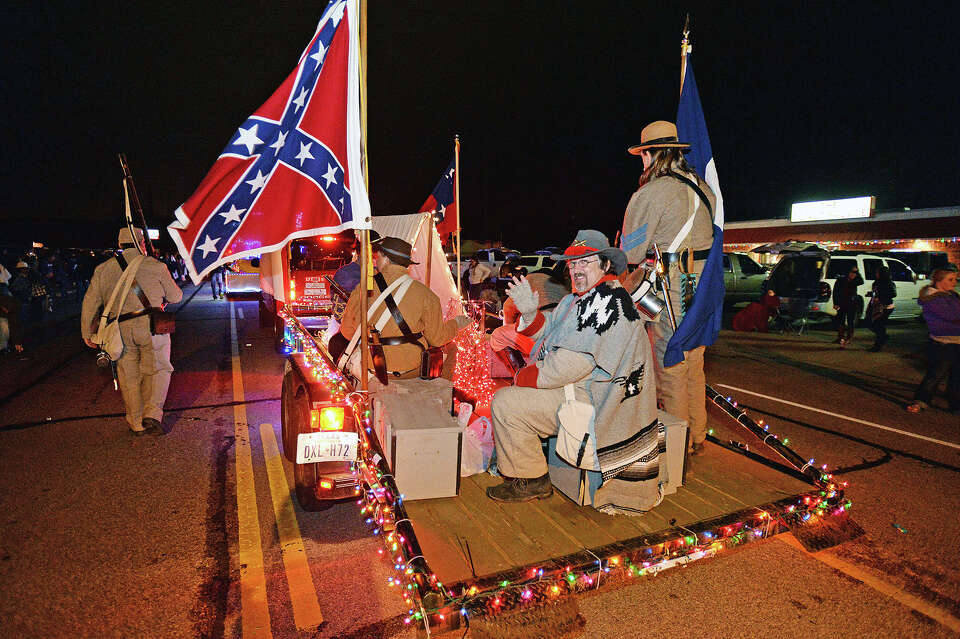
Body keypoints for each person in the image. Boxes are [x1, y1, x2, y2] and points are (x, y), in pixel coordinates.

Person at [486, 230, 662, 515]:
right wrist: (531, 313)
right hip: (579, 387)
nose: (576, 269)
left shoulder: (609, 303)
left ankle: (531, 480)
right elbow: (550, 331)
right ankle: (531, 472)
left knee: (506, 402)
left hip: (601, 402)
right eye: (572, 263)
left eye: (586, 262)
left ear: (606, 265)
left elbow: (569, 365)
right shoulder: (577, 300)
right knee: (512, 396)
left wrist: (523, 378)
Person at [619, 121, 716, 456]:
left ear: (649, 154)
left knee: (670, 360)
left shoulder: (651, 193)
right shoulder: (704, 187)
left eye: (642, 155)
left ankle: (679, 444)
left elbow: (630, 252)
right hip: (701, 285)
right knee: (694, 360)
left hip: (669, 284)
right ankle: (698, 433)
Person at [81, 228, 183, 435]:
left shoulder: (103, 269)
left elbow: (90, 303)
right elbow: (176, 296)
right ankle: (152, 413)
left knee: (129, 376)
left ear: (120, 244)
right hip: (152, 326)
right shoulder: (156, 266)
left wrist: (87, 333)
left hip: (120, 330)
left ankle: (136, 423)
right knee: (158, 370)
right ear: (141, 243)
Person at [334, 236, 470, 381]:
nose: (375, 260)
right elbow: (437, 339)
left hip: (372, 368)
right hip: (410, 370)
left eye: (377, 256)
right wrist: (456, 324)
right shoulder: (426, 294)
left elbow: (348, 332)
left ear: (385, 258)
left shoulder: (363, 288)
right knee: (450, 351)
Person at [906, 268, 959, 415]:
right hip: (943, 342)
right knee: (936, 374)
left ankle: (955, 405)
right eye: (950, 279)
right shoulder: (933, 298)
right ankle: (920, 400)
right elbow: (952, 316)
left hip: (957, 340)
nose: (954, 282)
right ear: (938, 280)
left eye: (955, 279)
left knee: (956, 376)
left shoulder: (952, 295)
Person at [866, 265, 896, 351]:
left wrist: (881, 297)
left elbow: (893, 294)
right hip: (875, 306)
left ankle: (878, 345)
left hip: (885, 307)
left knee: (879, 324)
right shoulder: (876, 282)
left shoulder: (889, 283)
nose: (876, 274)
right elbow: (876, 292)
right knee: (870, 323)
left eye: (878, 272)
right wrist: (871, 294)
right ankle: (883, 337)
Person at [832, 266, 863, 347]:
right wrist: (835, 303)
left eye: (855, 273)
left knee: (850, 321)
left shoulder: (856, 280)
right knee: (840, 320)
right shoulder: (841, 280)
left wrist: (857, 273)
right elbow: (835, 292)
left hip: (852, 303)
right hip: (842, 303)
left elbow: (861, 281)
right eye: (852, 272)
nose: (853, 274)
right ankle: (840, 337)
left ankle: (849, 338)